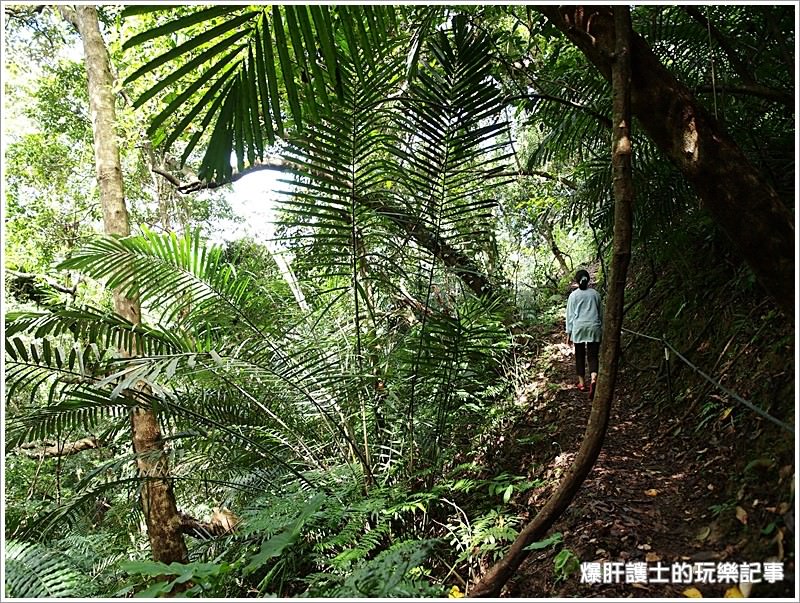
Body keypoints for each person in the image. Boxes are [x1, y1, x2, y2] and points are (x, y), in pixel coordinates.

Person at [565, 269, 602, 398]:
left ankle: (581, 384)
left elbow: (569, 316)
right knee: (593, 355)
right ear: (588, 280)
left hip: (579, 328)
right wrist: (600, 326)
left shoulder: (573, 296)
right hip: (594, 326)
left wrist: (568, 333)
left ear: (576, 281)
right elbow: (600, 313)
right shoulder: (596, 294)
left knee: (579, 355)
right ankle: (593, 379)